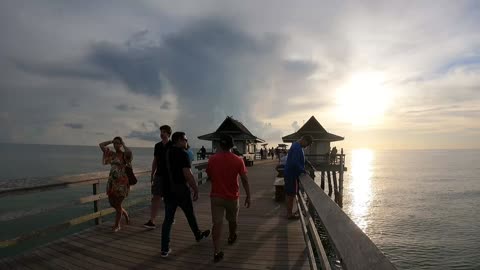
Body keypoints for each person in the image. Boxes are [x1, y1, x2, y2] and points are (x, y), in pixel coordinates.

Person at [160, 131, 210, 257]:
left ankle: (164, 249)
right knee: (190, 214)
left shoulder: (167, 152)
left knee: (168, 220)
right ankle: (198, 235)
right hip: (181, 190)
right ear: (178, 140)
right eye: (185, 139)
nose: (187, 142)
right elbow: (187, 173)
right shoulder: (183, 154)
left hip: (168, 190)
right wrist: (196, 189)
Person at [206, 134, 251, 262]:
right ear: (232, 146)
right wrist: (248, 195)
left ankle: (216, 252)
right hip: (232, 197)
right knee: (232, 220)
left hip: (216, 197)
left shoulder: (212, 159)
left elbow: (209, 174)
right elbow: (244, 180)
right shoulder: (238, 160)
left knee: (217, 224)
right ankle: (231, 236)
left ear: (220, 145)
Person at [99, 136, 132, 232]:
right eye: (115, 143)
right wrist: (111, 141)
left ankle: (117, 225)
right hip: (112, 182)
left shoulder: (125, 155)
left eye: (118, 143)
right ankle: (125, 213)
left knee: (118, 203)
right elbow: (101, 145)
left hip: (122, 182)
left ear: (121, 144)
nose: (116, 145)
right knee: (112, 203)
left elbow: (129, 152)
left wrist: (123, 144)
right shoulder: (112, 154)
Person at [144, 125, 173, 229]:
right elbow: (155, 161)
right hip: (159, 175)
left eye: (164, 132)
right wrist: (152, 174)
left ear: (169, 134)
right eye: (161, 131)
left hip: (170, 177)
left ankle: (170, 218)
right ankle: (152, 221)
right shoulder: (157, 146)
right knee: (156, 197)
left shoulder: (172, 145)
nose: (162, 133)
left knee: (168, 198)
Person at [284, 135, 313, 220]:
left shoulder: (297, 146)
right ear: (303, 139)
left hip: (291, 174)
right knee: (290, 194)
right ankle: (289, 214)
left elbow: (299, 158)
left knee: (291, 194)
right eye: (307, 144)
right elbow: (294, 163)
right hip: (291, 174)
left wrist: (307, 162)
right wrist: (303, 170)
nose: (306, 146)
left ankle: (289, 213)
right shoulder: (297, 147)